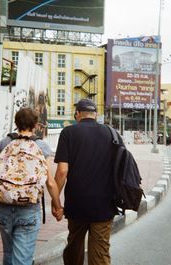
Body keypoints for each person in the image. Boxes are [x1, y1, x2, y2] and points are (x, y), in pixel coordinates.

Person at [0, 107, 63, 265]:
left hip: (2, 207)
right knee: (22, 259)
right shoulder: (42, 146)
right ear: (35, 125)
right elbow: (50, 182)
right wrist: (57, 205)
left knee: (9, 252)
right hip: (28, 209)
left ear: (16, 123)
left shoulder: (5, 142)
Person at [52, 98, 119, 265]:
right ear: (96, 115)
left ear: (77, 114)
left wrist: (56, 201)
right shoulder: (112, 133)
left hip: (77, 203)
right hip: (105, 203)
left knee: (74, 246)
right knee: (100, 252)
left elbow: (62, 171)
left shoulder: (68, 133)